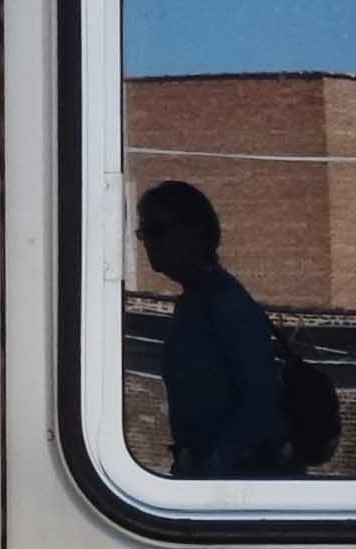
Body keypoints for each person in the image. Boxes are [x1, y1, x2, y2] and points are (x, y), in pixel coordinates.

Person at [138, 180, 330, 478]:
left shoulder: (225, 301)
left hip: (245, 477)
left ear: (194, 232)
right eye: (144, 233)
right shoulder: (195, 301)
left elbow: (259, 397)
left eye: (157, 230)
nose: (148, 242)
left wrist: (215, 465)